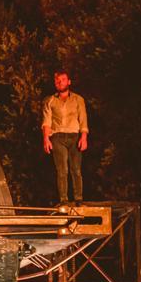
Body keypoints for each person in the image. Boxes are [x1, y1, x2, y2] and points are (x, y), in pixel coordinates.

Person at [41, 70, 89, 206]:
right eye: (57, 80)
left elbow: (83, 119)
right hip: (57, 136)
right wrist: (46, 139)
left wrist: (84, 137)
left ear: (69, 82)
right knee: (62, 170)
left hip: (74, 135)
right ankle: (63, 199)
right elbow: (46, 122)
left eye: (62, 79)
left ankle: (78, 198)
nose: (60, 82)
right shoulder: (50, 100)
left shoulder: (78, 99)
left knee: (76, 169)